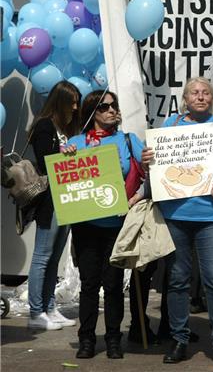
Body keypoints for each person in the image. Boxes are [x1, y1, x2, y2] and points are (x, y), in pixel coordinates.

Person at [144, 77, 213, 368]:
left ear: (212, 98)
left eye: (205, 92)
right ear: (185, 99)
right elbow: (156, 167)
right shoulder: (169, 127)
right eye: (194, 92)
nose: (200, 96)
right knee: (177, 280)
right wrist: (149, 160)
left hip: (212, 216)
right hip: (175, 215)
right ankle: (179, 339)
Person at [63, 90, 144, 359]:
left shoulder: (128, 140)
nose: (111, 110)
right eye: (104, 107)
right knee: (89, 284)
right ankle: (86, 339)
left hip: (117, 223)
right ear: (91, 113)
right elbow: (63, 178)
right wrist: (66, 156)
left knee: (113, 283)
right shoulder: (76, 142)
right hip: (86, 225)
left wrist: (135, 198)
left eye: (114, 106)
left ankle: (112, 339)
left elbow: (152, 172)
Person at [26, 81, 82, 332]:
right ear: (60, 102)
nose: (75, 106)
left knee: (54, 258)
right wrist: (63, 152)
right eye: (71, 101)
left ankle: (49, 307)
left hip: (66, 198)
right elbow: (45, 159)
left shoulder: (65, 129)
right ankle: (35, 311)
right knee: (42, 256)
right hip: (51, 201)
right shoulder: (44, 126)